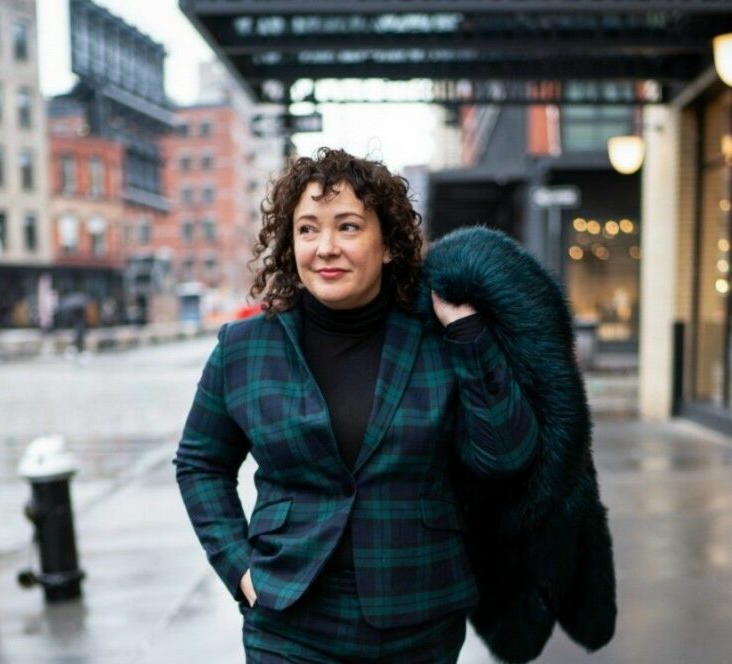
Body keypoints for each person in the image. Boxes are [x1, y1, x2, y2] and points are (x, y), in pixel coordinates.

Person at [174, 147, 541, 663]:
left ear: (388, 244)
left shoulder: (441, 339)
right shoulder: (244, 348)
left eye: (347, 227)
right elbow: (199, 464)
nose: (325, 247)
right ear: (289, 243)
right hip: (289, 617)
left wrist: (468, 331)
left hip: (418, 613)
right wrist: (239, 567)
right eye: (307, 229)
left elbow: (507, 455)